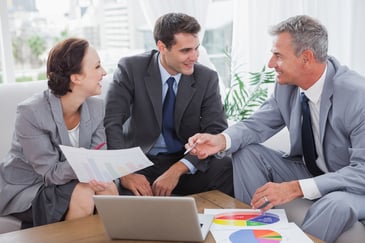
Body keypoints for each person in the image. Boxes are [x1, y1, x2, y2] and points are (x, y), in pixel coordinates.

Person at [187, 15, 365, 242]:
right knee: (246, 151)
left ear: (306, 58)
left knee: (336, 204)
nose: (270, 64)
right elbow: (257, 124)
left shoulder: (357, 95)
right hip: (312, 171)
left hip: (354, 186)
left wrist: (296, 188)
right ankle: (252, 231)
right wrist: (221, 140)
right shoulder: (287, 87)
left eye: (278, 56)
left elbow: (362, 172)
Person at [104, 12, 233, 197]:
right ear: (162, 47)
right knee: (127, 199)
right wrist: (124, 172)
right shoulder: (131, 68)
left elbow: (215, 129)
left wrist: (178, 169)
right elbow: (112, 121)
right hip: (140, 162)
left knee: (225, 167)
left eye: (196, 48)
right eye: (185, 51)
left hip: (185, 160)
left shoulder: (206, 77)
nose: (195, 57)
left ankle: (212, 225)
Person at [0, 38, 118, 228]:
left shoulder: (96, 107)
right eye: (97, 67)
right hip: (30, 186)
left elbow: (99, 155)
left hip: (70, 179)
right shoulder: (31, 112)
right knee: (84, 194)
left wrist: (100, 172)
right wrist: (88, 167)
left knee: (109, 189)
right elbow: (50, 173)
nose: (104, 72)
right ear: (76, 77)